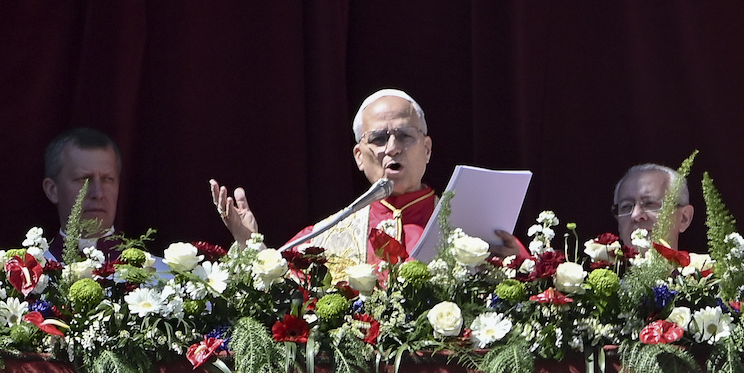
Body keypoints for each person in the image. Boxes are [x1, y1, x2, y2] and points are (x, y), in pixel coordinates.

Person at [210, 89, 520, 266]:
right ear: (359, 156)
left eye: (404, 135)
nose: (392, 148)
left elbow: (531, 287)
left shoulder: (474, 225)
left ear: (427, 149)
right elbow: (278, 282)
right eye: (379, 139)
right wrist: (250, 244)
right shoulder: (327, 234)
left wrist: (514, 262)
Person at [42, 127, 125, 262]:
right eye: (83, 179)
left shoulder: (158, 277)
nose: (98, 193)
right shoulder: (25, 278)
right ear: (52, 190)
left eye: (107, 179)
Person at [612, 163, 694, 250]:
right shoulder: (600, 263)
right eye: (626, 206)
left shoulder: (706, 264)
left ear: (684, 218)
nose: (635, 215)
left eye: (649, 204)